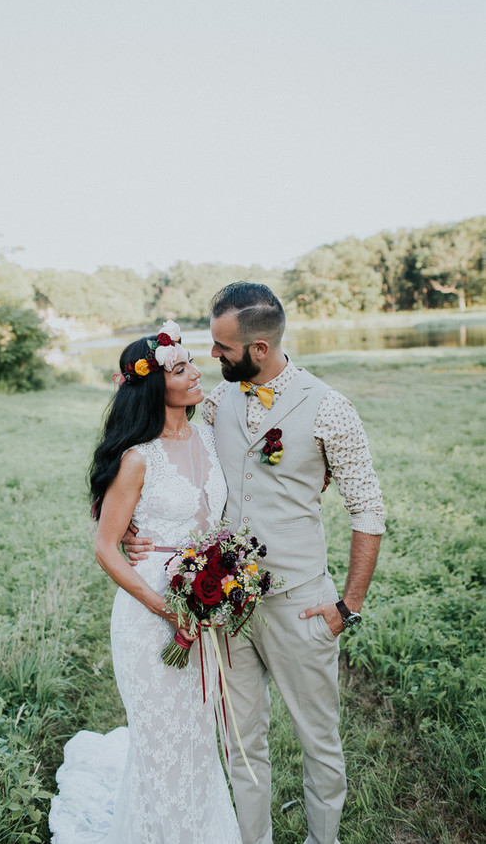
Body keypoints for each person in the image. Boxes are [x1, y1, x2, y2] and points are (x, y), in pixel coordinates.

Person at [125, 284, 385, 844]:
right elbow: (147, 445)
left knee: (320, 741)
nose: (212, 356)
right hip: (226, 609)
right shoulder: (215, 401)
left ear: (260, 348)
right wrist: (126, 524)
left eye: (222, 347)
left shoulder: (331, 408)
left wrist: (349, 606)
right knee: (241, 743)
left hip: (302, 604)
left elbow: (368, 511)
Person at [49, 321, 242, 844]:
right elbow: (106, 547)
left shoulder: (209, 435)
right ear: (157, 386)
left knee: (200, 737)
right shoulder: (138, 458)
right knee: (162, 741)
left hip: (205, 599)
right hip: (150, 609)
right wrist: (166, 607)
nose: (195, 372)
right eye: (180, 369)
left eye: (190, 363)